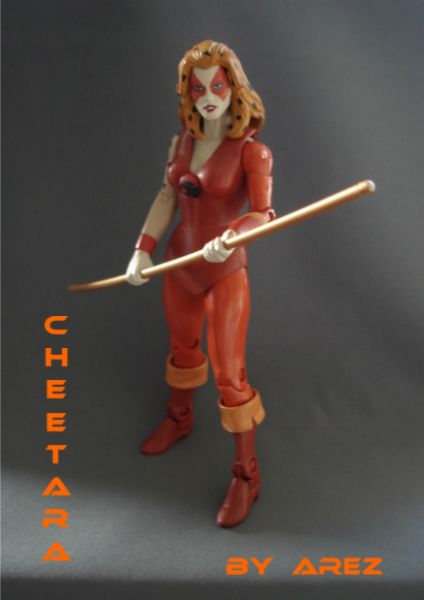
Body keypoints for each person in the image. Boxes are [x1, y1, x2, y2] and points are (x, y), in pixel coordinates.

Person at [126, 39, 275, 527]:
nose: (209, 97)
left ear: (234, 88)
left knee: (230, 375)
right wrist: (142, 248)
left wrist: (232, 238)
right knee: (183, 349)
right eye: (199, 88)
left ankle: (246, 475)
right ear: (188, 93)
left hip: (224, 272)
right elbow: (166, 197)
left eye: (218, 86)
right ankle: (180, 419)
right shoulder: (182, 144)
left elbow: (263, 213)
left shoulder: (253, 152)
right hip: (180, 265)